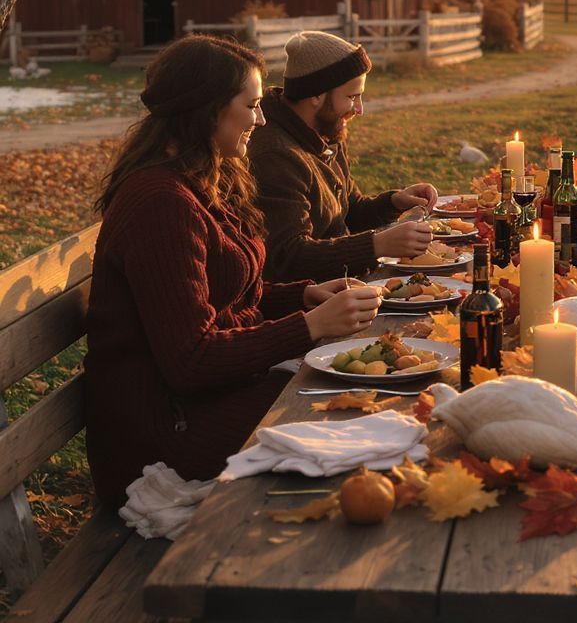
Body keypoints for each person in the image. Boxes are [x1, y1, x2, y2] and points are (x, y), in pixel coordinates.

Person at [85, 35, 382, 505]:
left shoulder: (203, 177)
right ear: (208, 109)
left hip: (210, 400)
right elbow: (191, 360)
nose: (261, 119)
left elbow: (225, 292)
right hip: (167, 433)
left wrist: (305, 296)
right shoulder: (160, 204)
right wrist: (309, 326)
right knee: (355, 418)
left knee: (362, 395)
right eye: (252, 105)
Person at [247, 31, 437, 283]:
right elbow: (288, 258)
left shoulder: (325, 131)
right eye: (351, 97)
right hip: (314, 299)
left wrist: (394, 202)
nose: (359, 109)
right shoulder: (275, 155)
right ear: (316, 94)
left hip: (349, 284)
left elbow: (349, 211)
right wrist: (376, 245)